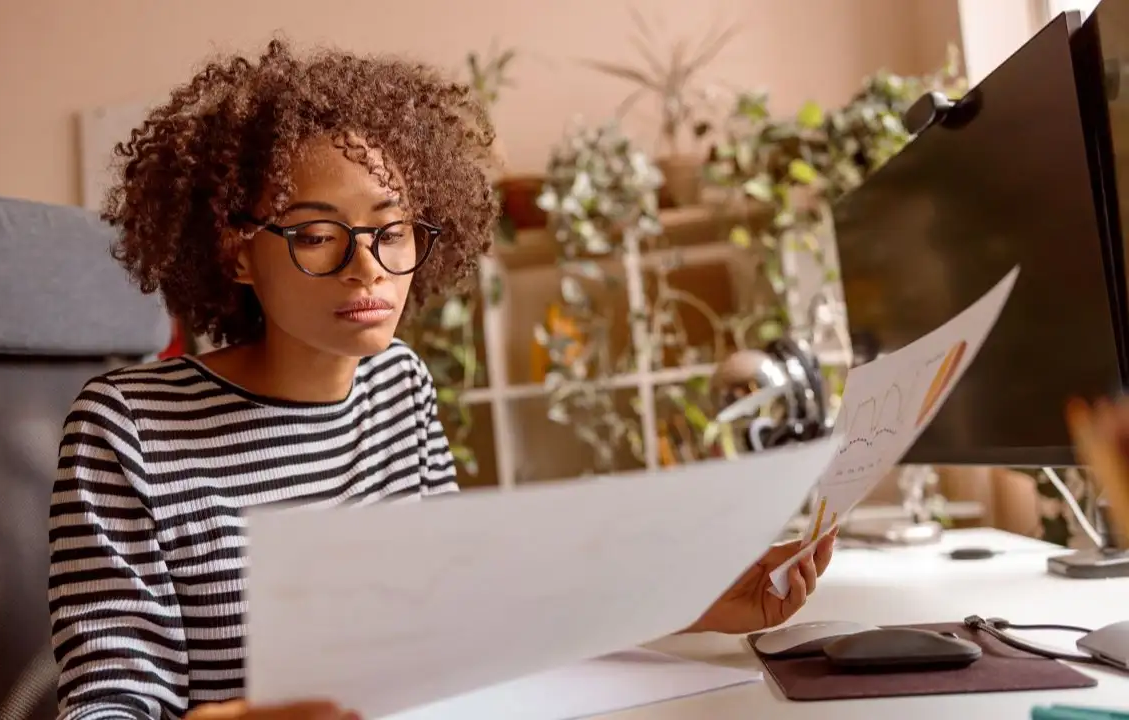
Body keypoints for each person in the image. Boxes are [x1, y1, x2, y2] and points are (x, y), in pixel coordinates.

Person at [47, 37, 837, 720]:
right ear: (237, 252)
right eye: (319, 235)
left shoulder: (398, 385)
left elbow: (466, 620)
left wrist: (697, 599)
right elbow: (108, 704)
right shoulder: (129, 430)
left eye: (391, 231)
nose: (368, 268)